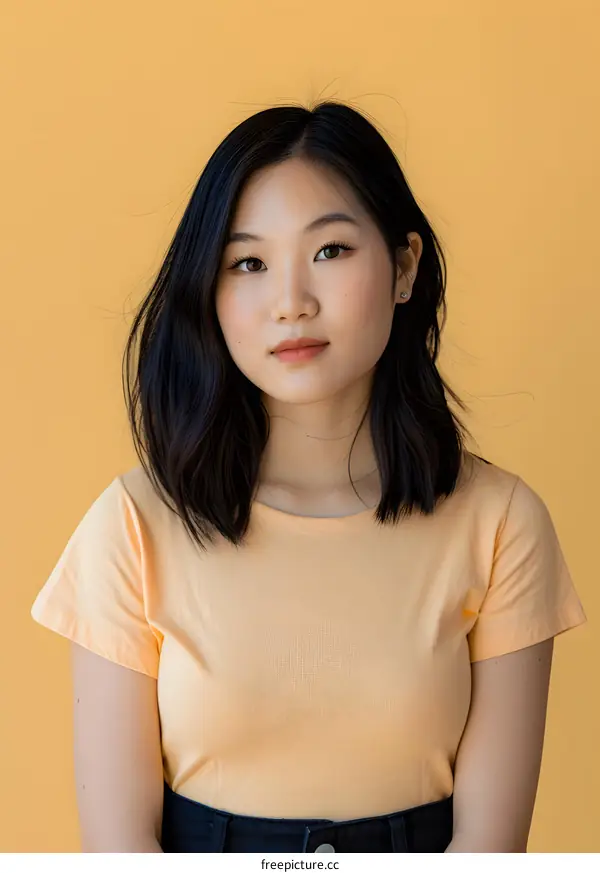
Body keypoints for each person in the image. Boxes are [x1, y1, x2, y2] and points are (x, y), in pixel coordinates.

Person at [31, 100, 587, 854]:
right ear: (212, 293)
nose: (290, 302)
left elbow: (490, 847)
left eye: (329, 251)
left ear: (403, 267)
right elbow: (118, 849)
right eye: (248, 263)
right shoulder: (130, 525)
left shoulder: (502, 523)